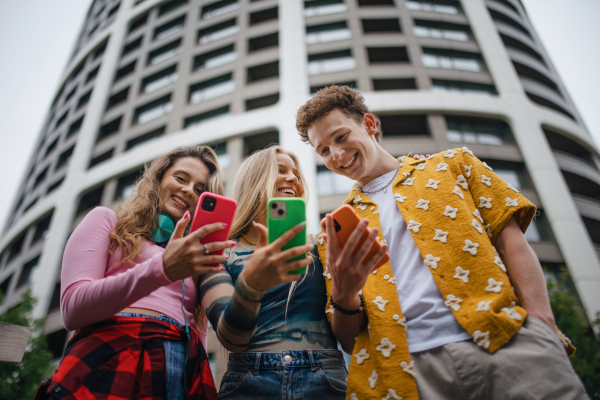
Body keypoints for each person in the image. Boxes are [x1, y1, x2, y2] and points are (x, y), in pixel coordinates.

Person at [295, 85, 588, 400]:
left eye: (340, 137)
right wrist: (345, 293)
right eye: (323, 150)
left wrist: (542, 325)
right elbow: (349, 340)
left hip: (508, 343)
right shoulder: (334, 233)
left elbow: (512, 243)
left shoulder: (455, 165)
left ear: (369, 125)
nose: (336, 155)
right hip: (406, 377)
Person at [40, 146, 229, 400]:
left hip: (180, 365)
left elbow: (199, 335)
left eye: (199, 189)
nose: (188, 190)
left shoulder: (193, 257)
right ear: (159, 178)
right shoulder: (106, 221)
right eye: (181, 179)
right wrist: (162, 269)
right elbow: (72, 309)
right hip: (109, 354)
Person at [197, 145, 348, 400]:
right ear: (254, 181)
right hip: (249, 383)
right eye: (280, 170)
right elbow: (231, 338)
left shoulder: (321, 247)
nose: (293, 179)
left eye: (296, 175)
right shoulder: (220, 252)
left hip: (325, 379)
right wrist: (250, 286)